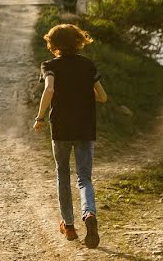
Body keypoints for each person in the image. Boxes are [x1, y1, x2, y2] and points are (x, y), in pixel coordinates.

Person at [33, 24, 108, 248]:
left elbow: (49, 89)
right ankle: (89, 214)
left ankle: (69, 226)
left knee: (63, 174)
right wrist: (82, 96)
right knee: (84, 177)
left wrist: (39, 117)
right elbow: (102, 97)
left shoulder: (50, 65)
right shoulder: (88, 65)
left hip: (61, 127)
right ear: (78, 41)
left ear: (53, 44)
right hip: (85, 126)